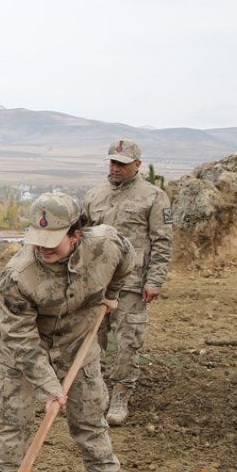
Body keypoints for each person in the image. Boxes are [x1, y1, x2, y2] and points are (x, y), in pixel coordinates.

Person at [0, 191, 134, 472]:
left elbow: (127, 260)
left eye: (53, 241)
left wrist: (113, 293)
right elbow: (20, 341)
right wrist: (50, 388)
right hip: (26, 354)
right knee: (12, 423)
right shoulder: (18, 276)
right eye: (38, 239)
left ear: (76, 233)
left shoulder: (105, 244)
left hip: (79, 344)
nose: (43, 248)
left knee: (90, 423)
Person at [82, 139, 173, 426]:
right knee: (92, 340)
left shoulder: (154, 197)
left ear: (137, 165)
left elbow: (162, 241)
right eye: (111, 162)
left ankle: (121, 393)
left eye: (121, 164)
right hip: (97, 282)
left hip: (132, 284)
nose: (115, 168)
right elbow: (81, 237)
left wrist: (155, 281)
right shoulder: (95, 195)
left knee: (127, 342)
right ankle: (92, 392)